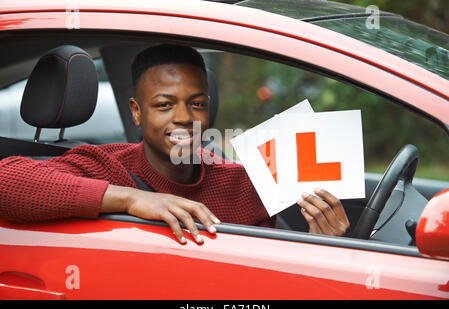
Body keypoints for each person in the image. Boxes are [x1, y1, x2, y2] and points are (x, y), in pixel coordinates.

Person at [0, 44, 349, 244]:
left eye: (196, 103)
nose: (183, 117)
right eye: (164, 105)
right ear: (136, 112)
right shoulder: (106, 165)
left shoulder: (245, 182)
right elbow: (7, 180)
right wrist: (133, 198)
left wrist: (329, 243)